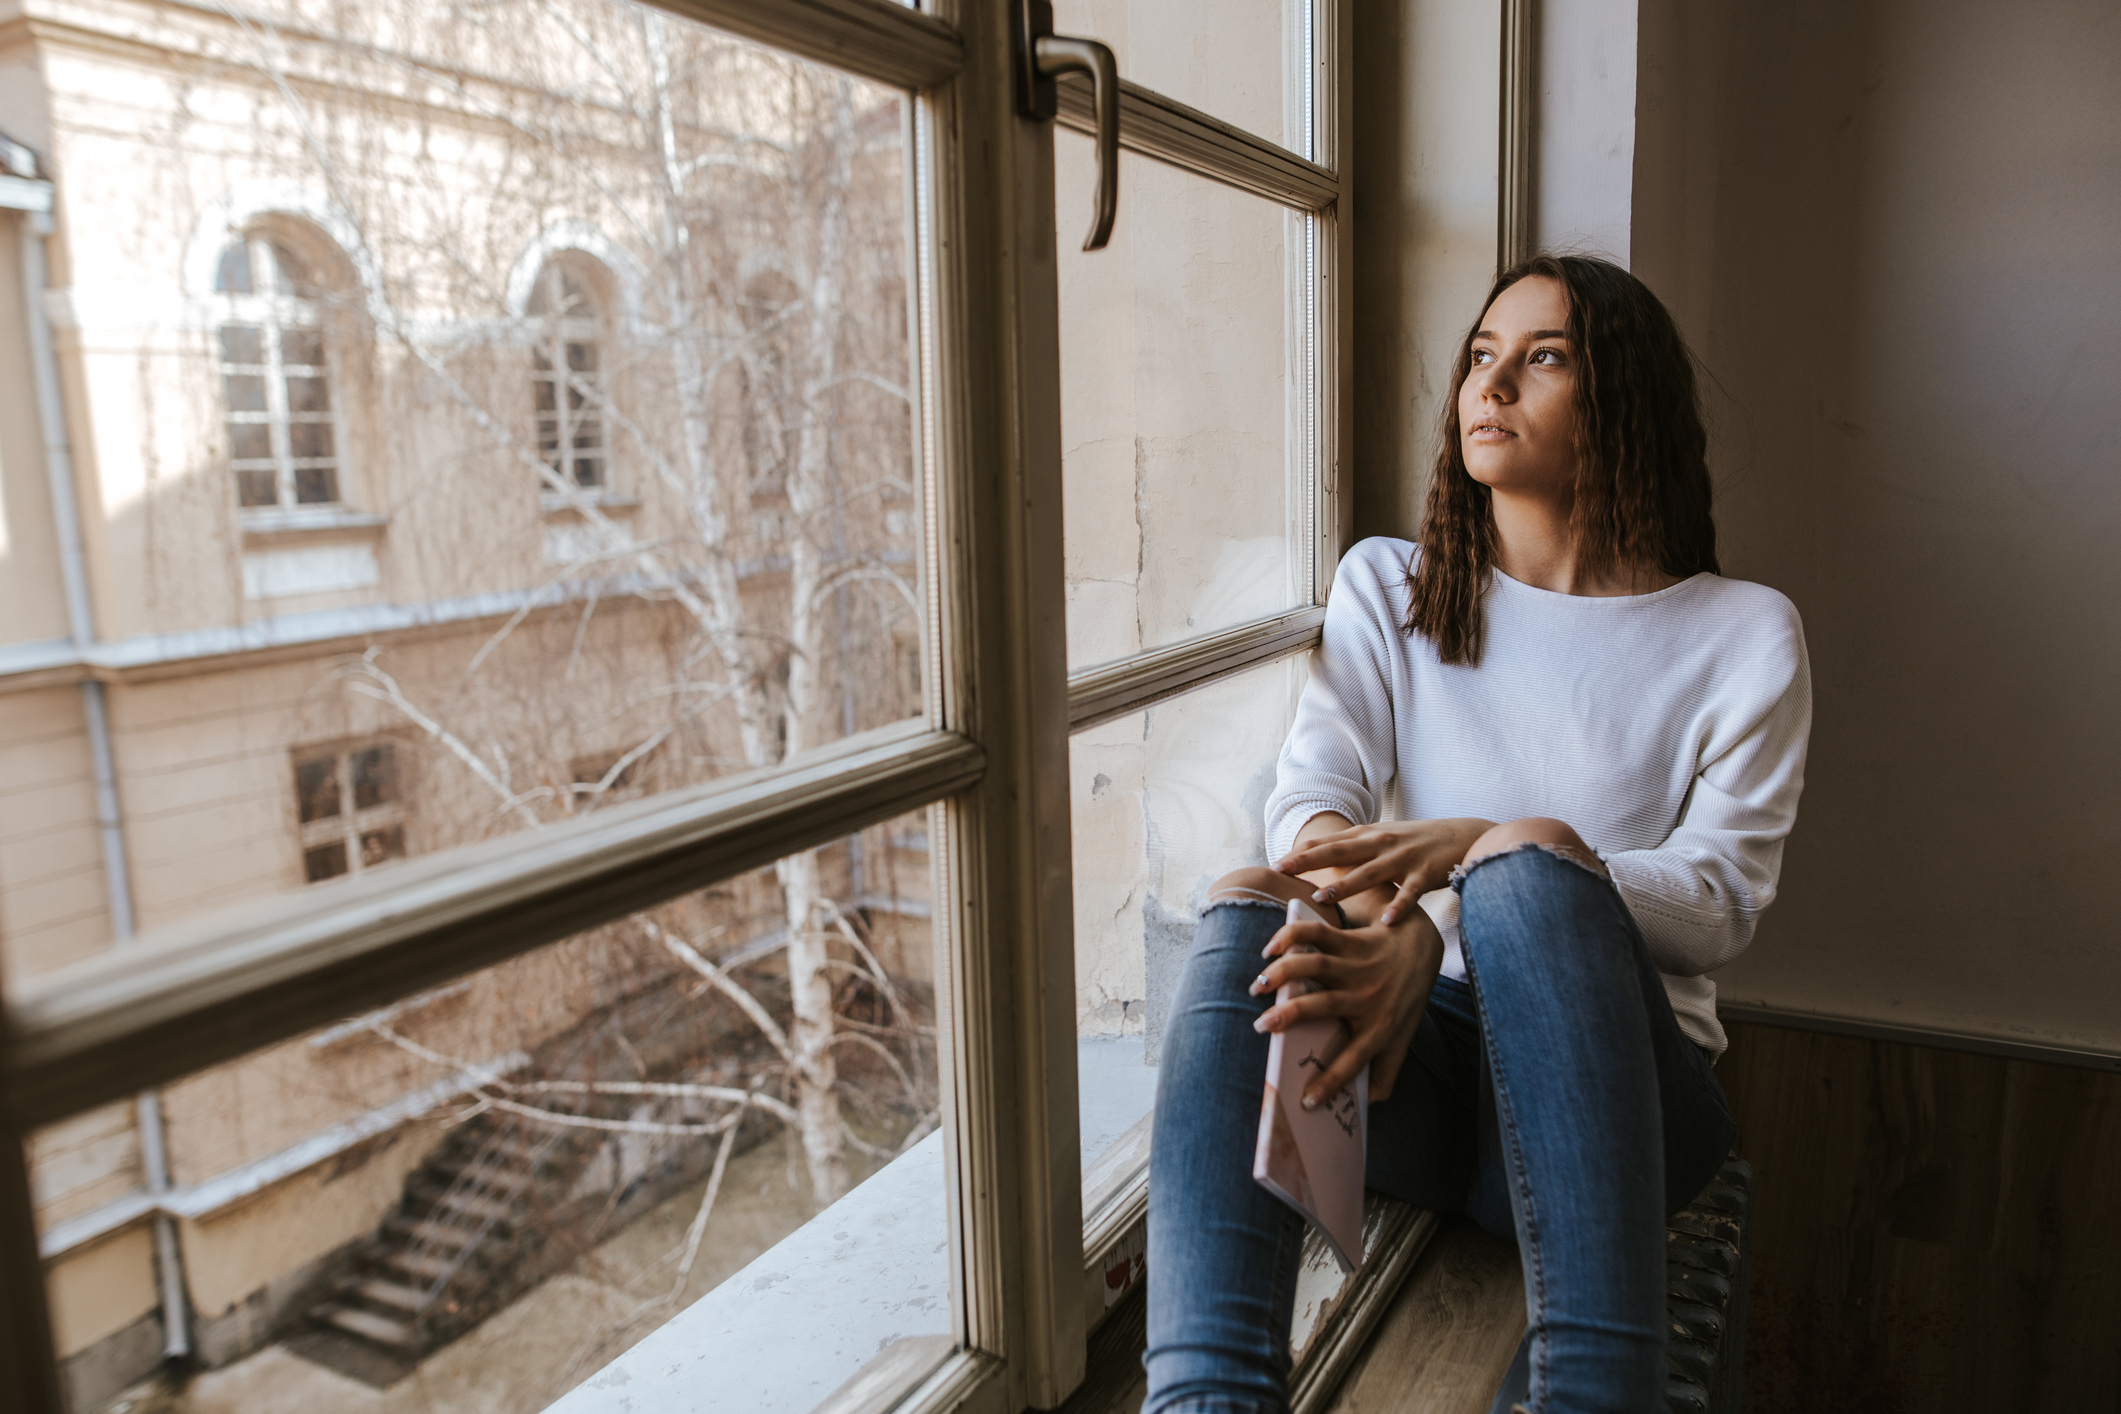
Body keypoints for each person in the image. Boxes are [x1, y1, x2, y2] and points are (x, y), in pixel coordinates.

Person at [1143, 254, 1811, 1414]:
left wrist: (1464, 875)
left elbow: (1719, 902)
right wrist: (1404, 940)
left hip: (1624, 1101)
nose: (1490, 384)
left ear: (1625, 398)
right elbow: (1312, 816)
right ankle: (1204, 1403)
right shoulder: (1391, 585)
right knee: (1249, 897)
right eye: (1480, 358)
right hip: (1423, 1076)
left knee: (1534, 858)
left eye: (1542, 357)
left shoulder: (1743, 633)